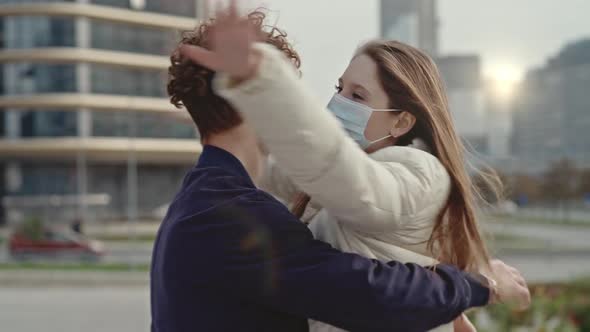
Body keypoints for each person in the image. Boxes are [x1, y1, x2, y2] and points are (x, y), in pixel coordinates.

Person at [178, 3, 530, 332]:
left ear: (401, 122)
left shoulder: (419, 172)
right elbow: (271, 163)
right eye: (339, 88)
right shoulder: (333, 178)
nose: (338, 102)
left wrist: (264, 82)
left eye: (358, 96)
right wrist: (220, 102)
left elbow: (349, 181)